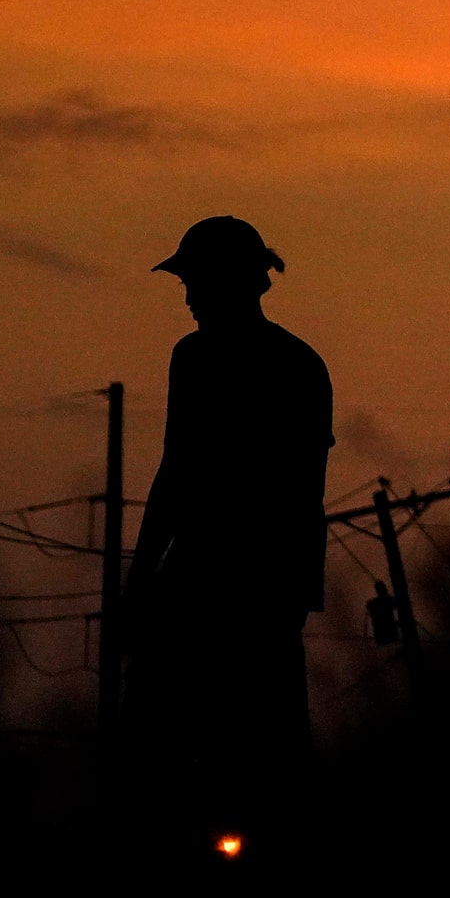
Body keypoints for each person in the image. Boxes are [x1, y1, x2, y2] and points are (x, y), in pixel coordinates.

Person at [123, 216, 334, 857]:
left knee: (215, 758)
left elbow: (182, 472)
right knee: (241, 757)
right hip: (238, 587)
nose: (187, 297)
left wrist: (142, 578)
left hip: (234, 589)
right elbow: (181, 472)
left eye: (195, 282)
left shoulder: (222, 362)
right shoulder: (293, 363)